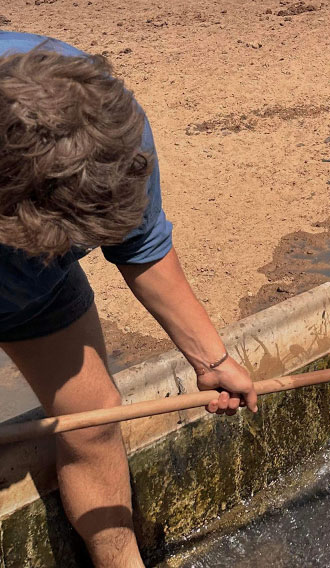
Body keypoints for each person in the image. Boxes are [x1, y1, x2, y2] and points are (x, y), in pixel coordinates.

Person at [0, 31, 257, 568]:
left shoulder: (111, 131)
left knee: (92, 420)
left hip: (31, 288)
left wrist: (211, 361)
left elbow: (142, 245)